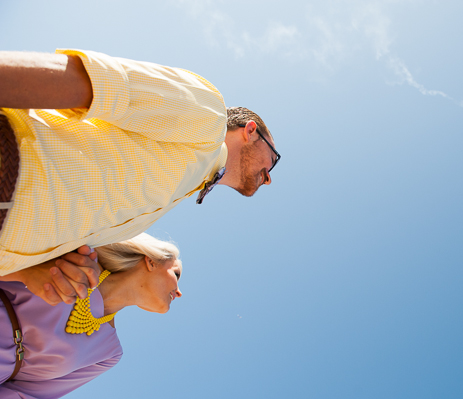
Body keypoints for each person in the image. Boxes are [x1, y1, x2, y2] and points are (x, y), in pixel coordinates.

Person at [0, 49, 280, 304]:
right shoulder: (209, 117)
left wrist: (28, 273)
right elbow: (91, 82)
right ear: (250, 130)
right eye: (274, 160)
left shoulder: (169, 200)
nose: (268, 179)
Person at [0, 233, 183, 399]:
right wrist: (24, 272)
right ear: (152, 261)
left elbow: (21, 397)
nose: (179, 292)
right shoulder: (82, 256)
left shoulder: (109, 353)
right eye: (176, 274)